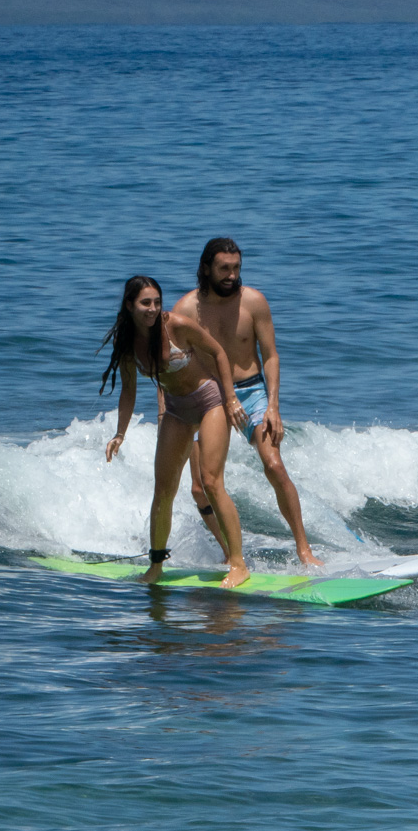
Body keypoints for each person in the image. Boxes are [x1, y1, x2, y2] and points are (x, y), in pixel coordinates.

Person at [175, 238, 323, 566]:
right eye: (224, 269)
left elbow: (270, 356)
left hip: (253, 391)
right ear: (205, 269)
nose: (231, 275)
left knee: (274, 464)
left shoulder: (253, 302)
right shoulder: (185, 310)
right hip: (208, 397)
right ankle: (231, 555)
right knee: (200, 489)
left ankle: (304, 551)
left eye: (236, 268)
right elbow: (172, 365)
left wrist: (273, 406)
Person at [100, 275, 252, 587]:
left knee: (210, 481)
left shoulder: (177, 326)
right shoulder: (126, 343)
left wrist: (231, 399)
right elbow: (128, 390)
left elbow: (220, 353)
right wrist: (120, 433)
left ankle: (238, 564)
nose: (153, 309)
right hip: (176, 410)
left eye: (157, 302)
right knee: (164, 490)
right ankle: (156, 566)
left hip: (210, 401)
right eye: (145, 303)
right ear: (130, 305)